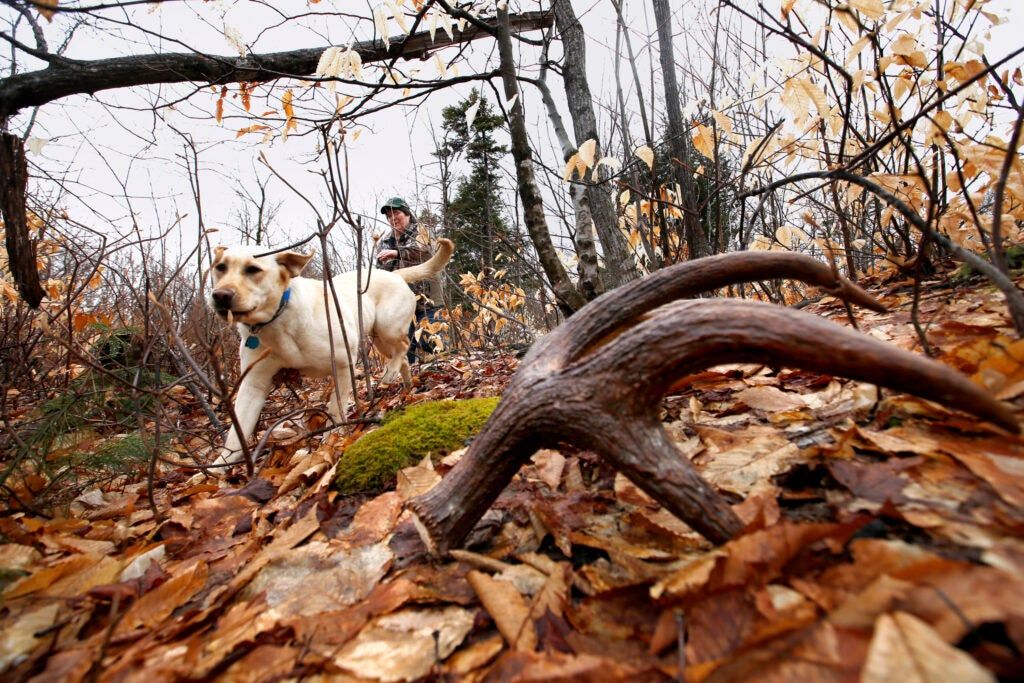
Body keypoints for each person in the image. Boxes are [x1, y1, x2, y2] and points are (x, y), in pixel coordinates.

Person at [377, 197, 444, 363]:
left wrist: (397, 253)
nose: (393, 217)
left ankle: (447, 376)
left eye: (396, 212)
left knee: (430, 341)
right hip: (400, 306)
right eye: (389, 215)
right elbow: (382, 274)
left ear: (407, 213)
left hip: (427, 301)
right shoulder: (384, 241)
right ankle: (411, 385)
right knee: (404, 350)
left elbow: (421, 251)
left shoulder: (422, 232)